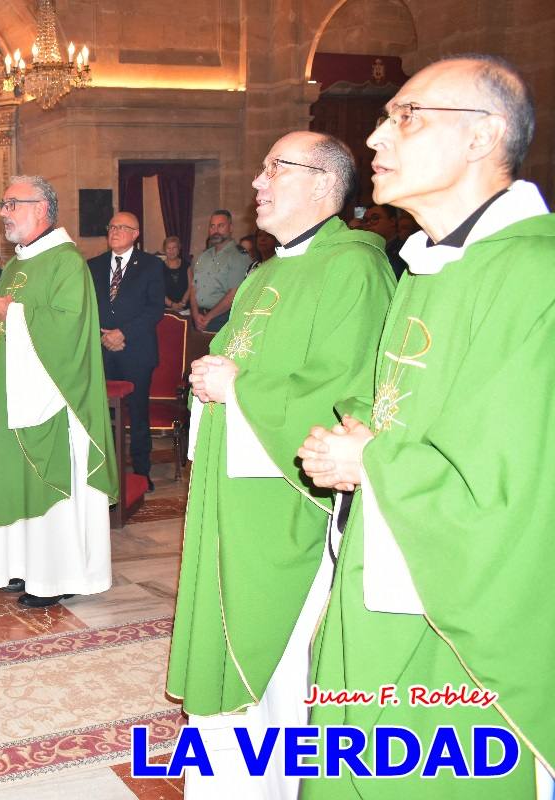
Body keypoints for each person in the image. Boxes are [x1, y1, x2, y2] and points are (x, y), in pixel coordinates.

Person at [298, 55, 555, 799]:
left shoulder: (533, 275)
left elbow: (517, 489)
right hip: (385, 562)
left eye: (405, 116)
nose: (377, 137)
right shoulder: (427, 268)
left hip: (460, 607)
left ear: (482, 138)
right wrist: (358, 441)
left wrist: (371, 464)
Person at [168, 130, 394, 798]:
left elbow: (349, 386)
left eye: (275, 169)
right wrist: (216, 380)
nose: (258, 183)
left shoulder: (354, 266)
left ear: (325, 184)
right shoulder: (263, 274)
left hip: (287, 500)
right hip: (235, 490)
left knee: (287, 647)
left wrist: (237, 385)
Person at [0, 175, 118, 609]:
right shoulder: (18, 264)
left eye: (12, 203)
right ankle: (24, 566)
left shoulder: (65, 262)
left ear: (41, 208)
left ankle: (58, 574)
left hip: (49, 399)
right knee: (13, 481)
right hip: (7, 395)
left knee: (45, 483)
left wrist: (11, 312)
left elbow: (69, 327)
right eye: (4, 204)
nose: (4, 212)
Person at [87, 211, 165, 489]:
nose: (115, 231)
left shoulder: (151, 265)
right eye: (111, 226)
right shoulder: (92, 265)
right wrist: (101, 335)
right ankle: (105, 473)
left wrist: (123, 333)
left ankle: (142, 472)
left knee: (138, 412)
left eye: (122, 227)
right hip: (101, 350)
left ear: (136, 234)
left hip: (137, 351)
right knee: (102, 414)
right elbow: (86, 307)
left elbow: (155, 309)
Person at [189, 210, 250, 332]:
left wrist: (208, 317)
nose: (215, 230)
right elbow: (193, 288)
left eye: (221, 226)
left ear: (231, 228)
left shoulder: (238, 256)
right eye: (212, 226)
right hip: (197, 317)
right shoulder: (204, 256)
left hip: (221, 320)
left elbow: (233, 294)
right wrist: (196, 314)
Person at [362, 203, 408, 279]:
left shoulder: (404, 249)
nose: (368, 223)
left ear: (392, 221)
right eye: (365, 220)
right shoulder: (365, 249)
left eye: (375, 218)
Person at [162, 235, 192, 312]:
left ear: (179, 249)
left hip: (184, 308)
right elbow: (158, 291)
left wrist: (182, 303)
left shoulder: (187, 266)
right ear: (164, 250)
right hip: (166, 309)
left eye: (174, 248)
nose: (171, 251)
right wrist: (172, 305)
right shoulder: (159, 267)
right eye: (168, 248)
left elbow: (191, 287)